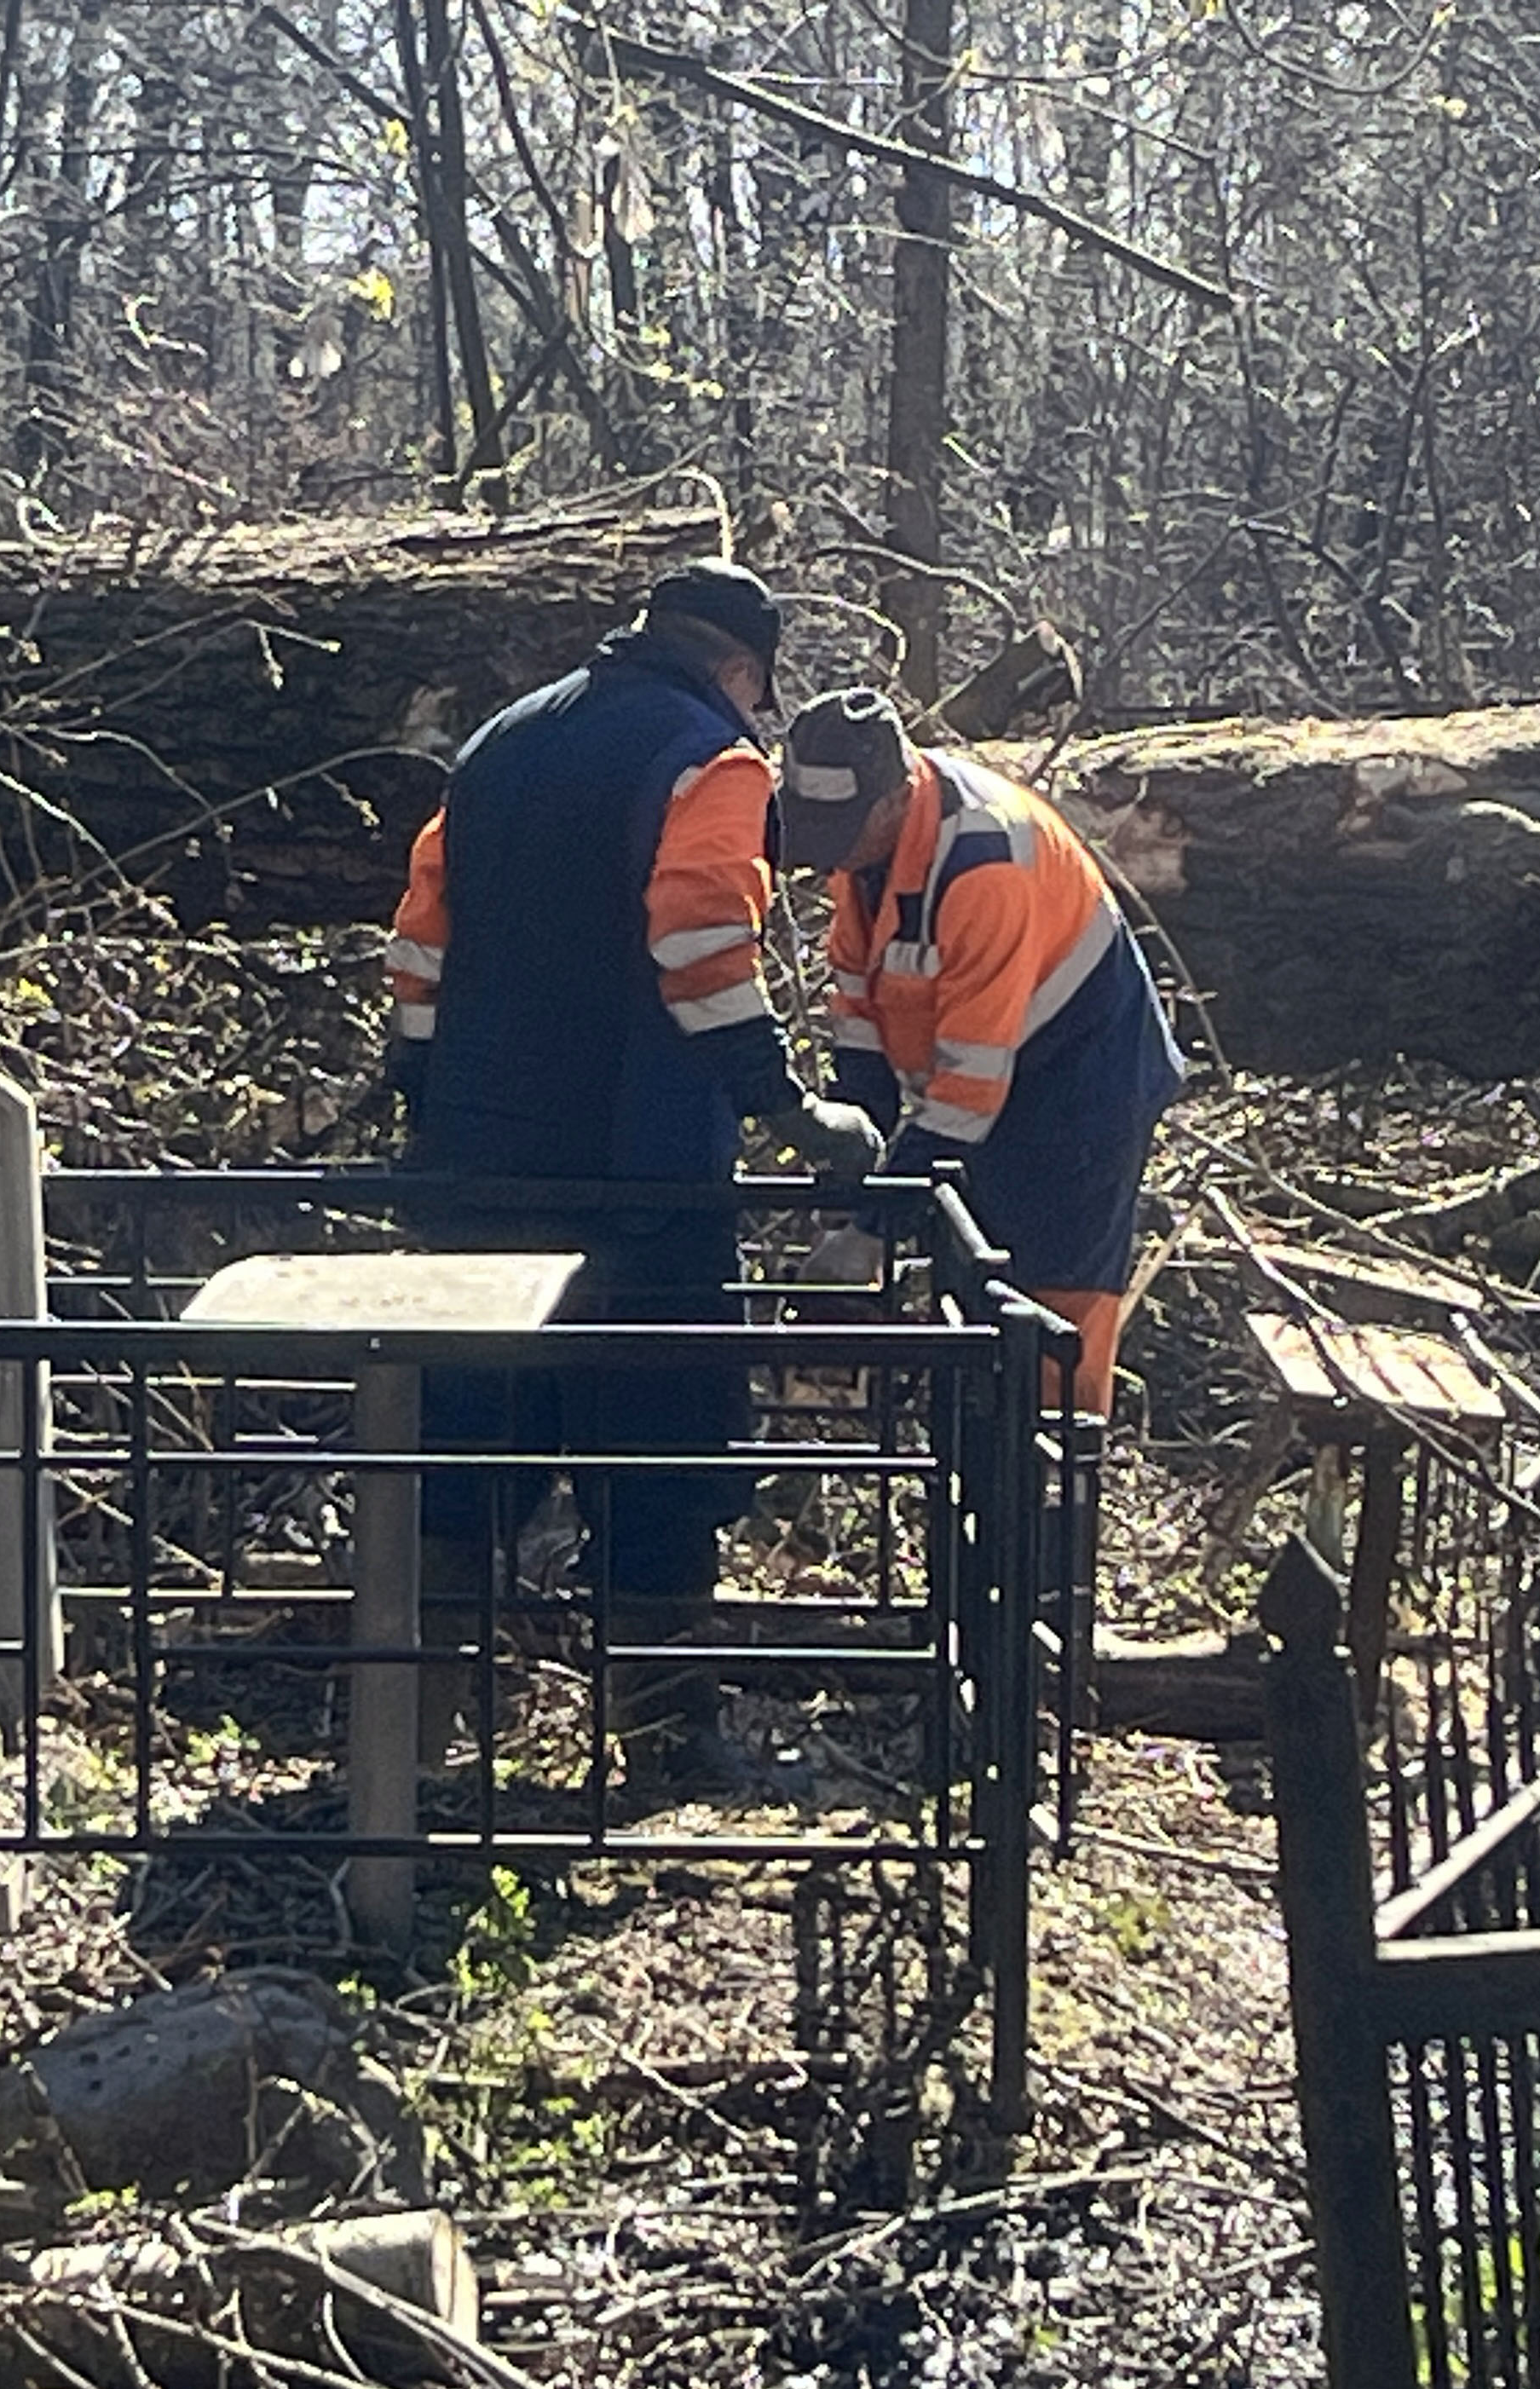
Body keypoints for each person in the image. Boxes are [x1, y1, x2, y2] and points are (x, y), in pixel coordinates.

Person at [381, 561, 878, 1757]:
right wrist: (789, 1111)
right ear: (741, 670)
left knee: (463, 1456)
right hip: (641, 1179)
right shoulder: (712, 759)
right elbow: (702, 951)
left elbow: (418, 951)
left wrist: (431, 1108)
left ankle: (406, 1737)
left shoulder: (499, 743)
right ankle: (658, 1741)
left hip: (478, 1174)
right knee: (660, 1451)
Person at [775, 689, 1185, 1419]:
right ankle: (976, 1458)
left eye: (838, 828)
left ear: (895, 799)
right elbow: (862, 1035)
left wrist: (872, 1232)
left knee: (1050, 1306)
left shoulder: (984, 863)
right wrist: (851, 1181)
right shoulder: (863, 853)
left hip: (1082, 1082)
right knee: (970, 1286)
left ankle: (1054, 1469)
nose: (824, 850)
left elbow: (967, 1094)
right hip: (987, 1072)